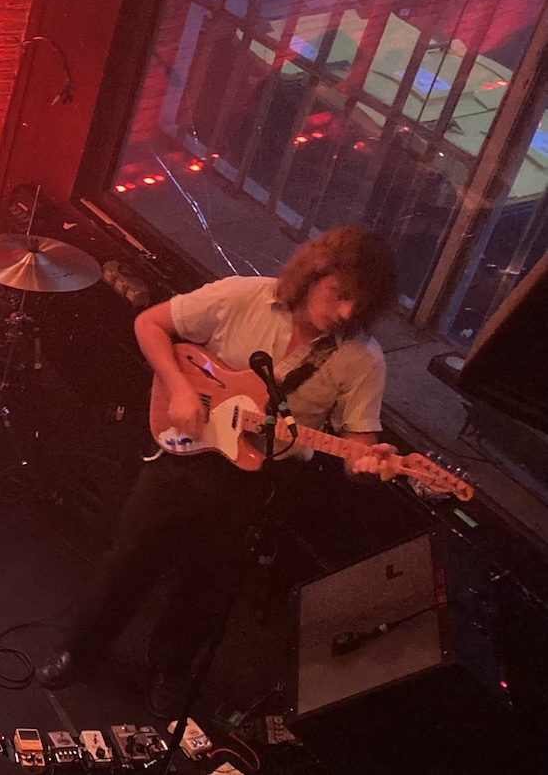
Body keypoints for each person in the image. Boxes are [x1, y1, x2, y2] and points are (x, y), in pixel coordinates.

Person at [35, 226, 403, 714]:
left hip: (260, 482)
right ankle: (81, 650)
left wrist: (366, 466)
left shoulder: (363, 359)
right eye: (341, 295)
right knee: (128, 559)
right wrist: (180, 388)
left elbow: (358, 446)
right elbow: (149, 324)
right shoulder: (242, 296)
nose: (345, 314)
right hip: (186, 456)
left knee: (210, 585)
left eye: (361, 305)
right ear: (316, 273)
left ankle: (169, 668)